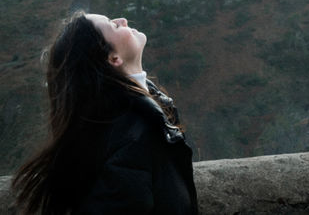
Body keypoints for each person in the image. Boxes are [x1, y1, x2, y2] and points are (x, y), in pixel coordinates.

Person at [11, 11, 198, 214]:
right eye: (114, 25)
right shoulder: (133, 133)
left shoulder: (133, 114)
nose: (123, 20)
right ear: (113, 57)